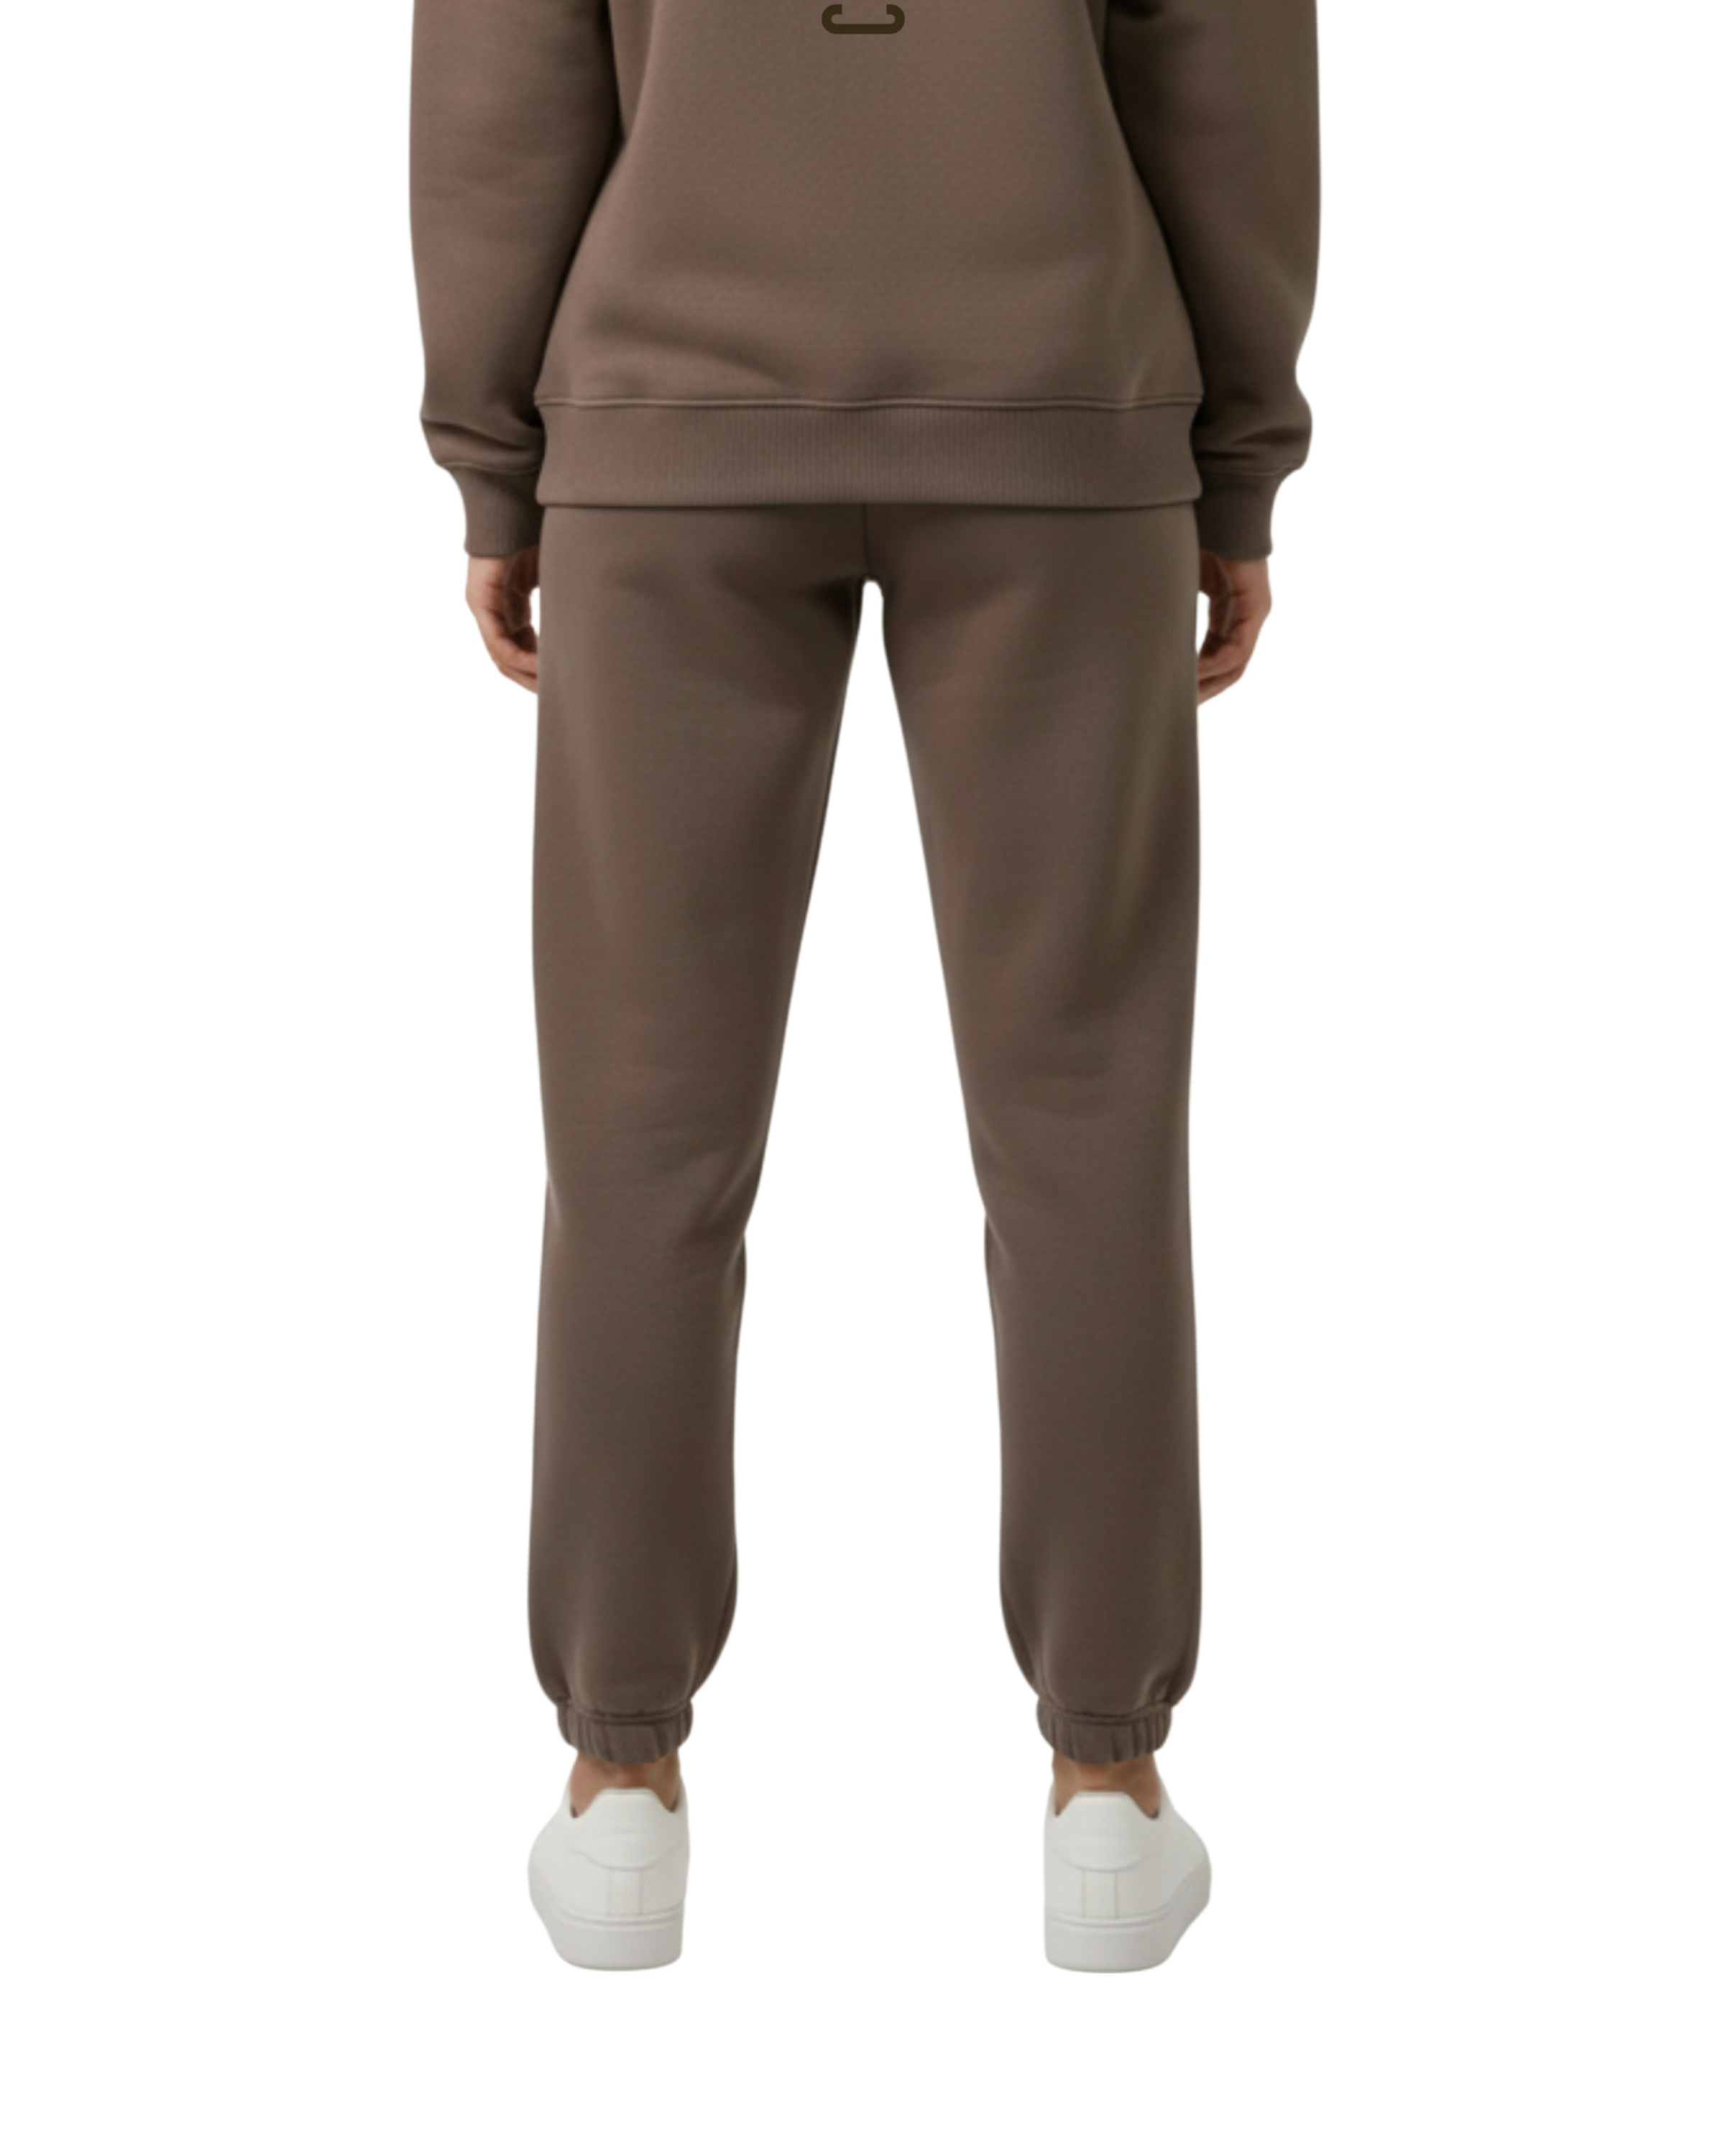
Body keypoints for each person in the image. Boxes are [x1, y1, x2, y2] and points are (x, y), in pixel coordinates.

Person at [407, 0, 1322, 1973]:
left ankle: (620, 1785)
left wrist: (499, 469)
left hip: (664, 422)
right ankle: (1108, 1788)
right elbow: (1231, 72)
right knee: (1087, 1121)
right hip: (1063, 410)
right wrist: (1235, 462)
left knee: (639, 1131)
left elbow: (501, 83)